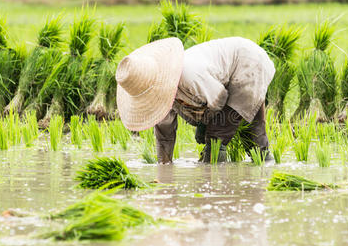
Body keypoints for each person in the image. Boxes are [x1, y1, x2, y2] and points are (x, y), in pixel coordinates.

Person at [115, 37, 275, 164]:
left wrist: (203, 126)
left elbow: (219, 98)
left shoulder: (190, 76)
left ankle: (213, 184)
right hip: (227, 76)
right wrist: (164, 168)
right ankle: (265, 166)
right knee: (245, 131)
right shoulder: (157, 100)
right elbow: (164, 136)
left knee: (217, 136)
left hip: (249, 64)